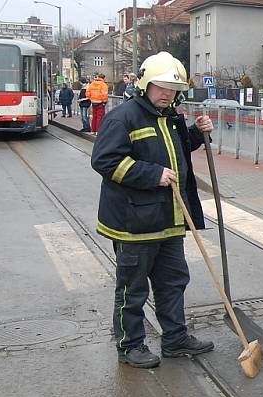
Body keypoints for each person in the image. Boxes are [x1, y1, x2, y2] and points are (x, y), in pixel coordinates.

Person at [91, 51, 214, 369]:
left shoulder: (171, 116)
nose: (167, 93)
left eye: (173, 88)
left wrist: (197, 134)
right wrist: (152, 174)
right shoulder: (124, 117)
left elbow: (177, 149)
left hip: (169, 218)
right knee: (133, 288)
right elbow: (105, 161)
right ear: (146, 84)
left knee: (173, 281)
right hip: (134, 223)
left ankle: (175, 339)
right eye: (161, 86)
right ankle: (130, 345)